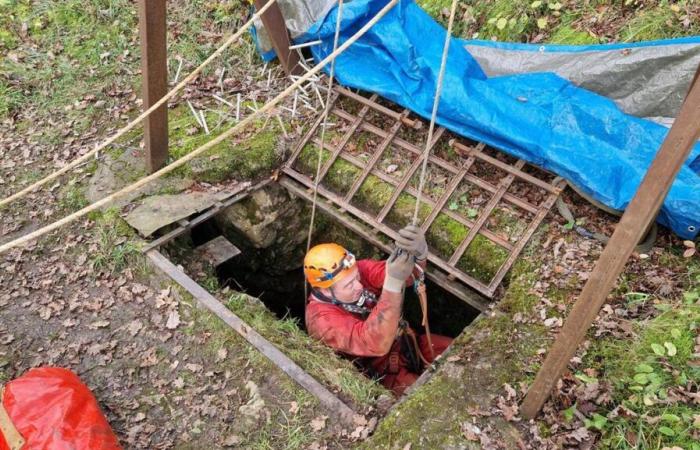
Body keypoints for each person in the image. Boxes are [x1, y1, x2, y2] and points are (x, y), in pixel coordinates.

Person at [304, 225, 452, 395]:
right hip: (382, 372)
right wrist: (393, 284)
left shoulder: (356, 270)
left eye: (357, 278)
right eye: (349, 285)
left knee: (458, 352)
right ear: (324, 290)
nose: (359, 286)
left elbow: (402, 275)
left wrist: (418, 255)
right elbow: (374, 343)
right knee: (430, 396)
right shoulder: (322, 321)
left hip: (408, 343)